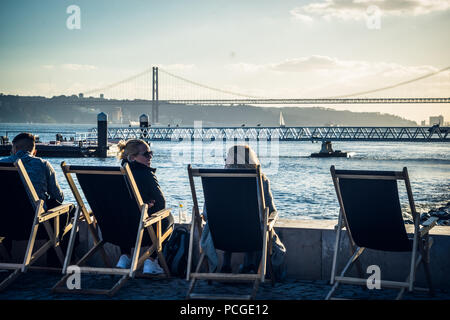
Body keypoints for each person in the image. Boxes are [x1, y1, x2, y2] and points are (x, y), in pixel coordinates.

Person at [200, 145, 287, 279]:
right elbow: (271, 211)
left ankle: (226, 265)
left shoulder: (216, 179)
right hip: (253, 238)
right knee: (255, 222)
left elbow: (206, 214)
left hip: (221, 238)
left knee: (228, 220)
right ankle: (250, 265)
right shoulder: (261, 180)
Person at [0, 132, 69, 266]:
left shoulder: (2, 165)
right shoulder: (42, 164)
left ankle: (4, 259)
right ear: (34, 151)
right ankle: (55, 263)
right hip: (34, 226)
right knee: (66, 210)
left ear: (14, 149)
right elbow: (59, 197)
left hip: (4, 225)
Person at [116, 139, 174, 274]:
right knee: (168, 218)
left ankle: (125, 257)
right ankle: (151, 261)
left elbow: (117, 202)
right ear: (132, 158)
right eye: (146, 154)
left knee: (122, 214)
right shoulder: (146, 173)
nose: (150, 157)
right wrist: (147, 206)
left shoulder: (116, 174)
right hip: (141, 233)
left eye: (151, 153)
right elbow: (161, 203)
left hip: (115, 231)